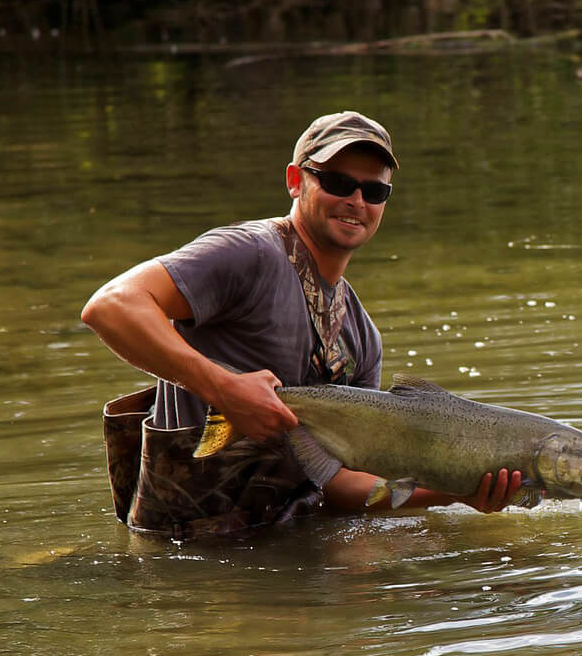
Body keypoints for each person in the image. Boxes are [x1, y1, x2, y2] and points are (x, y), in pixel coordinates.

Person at [82, 110, 523, 538]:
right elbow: (111, 306)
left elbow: (343, 484)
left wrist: (453, 492)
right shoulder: (249, 254)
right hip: (182, 552)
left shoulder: (361, 336)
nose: (355, 200)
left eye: (374, 192)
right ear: (295, 181)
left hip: (282, 541)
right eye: (337, 182)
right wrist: (223, 389)